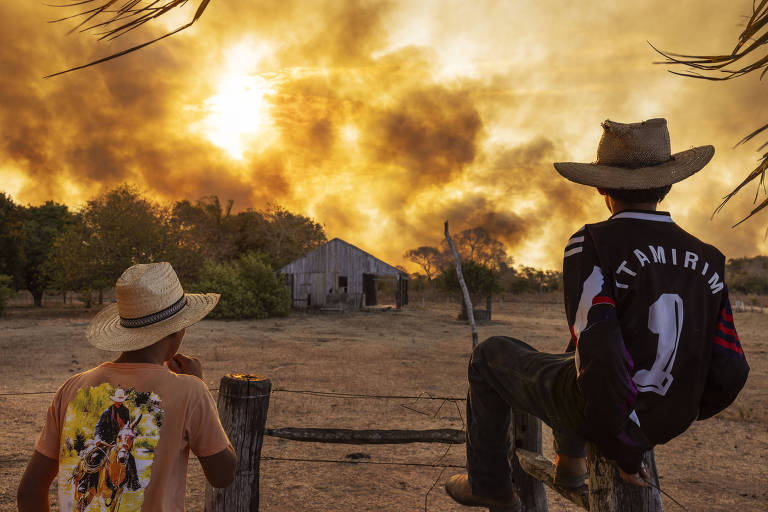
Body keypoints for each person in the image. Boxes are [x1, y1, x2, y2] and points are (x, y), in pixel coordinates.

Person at [445, 118, 750, 511]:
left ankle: (490, 485)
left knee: (489, 355)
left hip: (607, 414)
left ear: (602, 187)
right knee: (573, 350)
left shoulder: (592, 243)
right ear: (668, 184)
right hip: (665, 413)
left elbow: (601, 349)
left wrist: (625, 444)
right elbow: (731, 369)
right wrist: (670, 411)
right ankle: (570, 462)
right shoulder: (709, 258)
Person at [18, 262, 238, 511]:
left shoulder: (72, 387)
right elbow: (223, 475)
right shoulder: (190, 391)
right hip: (105, 441)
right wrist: (200, 384)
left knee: (128, 466)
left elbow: (29, 491)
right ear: (178, 330)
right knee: (94, 462)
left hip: (121, 441)